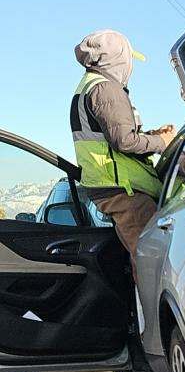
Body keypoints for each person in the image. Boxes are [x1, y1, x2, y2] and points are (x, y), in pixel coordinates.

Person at [69, 30, 175, 254]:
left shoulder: (90, 85)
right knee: (150, 259)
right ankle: (147, 292)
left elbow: (113, 137)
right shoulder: (106, 89)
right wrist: (162, 142)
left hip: (110, 186)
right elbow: (124, 142)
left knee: (142, 256)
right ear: (118, 59)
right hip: (124, 190)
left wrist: (153, 134)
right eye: (129, 60)